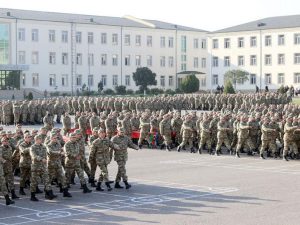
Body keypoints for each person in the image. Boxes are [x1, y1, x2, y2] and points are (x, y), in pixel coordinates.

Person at [29, 135, 57, 201]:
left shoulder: (44, 147)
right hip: (36, 167)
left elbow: (46, 154)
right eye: (40, 139)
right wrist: (41, 159)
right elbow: (34, 156)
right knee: (34, 182)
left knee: (47, 180)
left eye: (41, 139)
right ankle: (32, 196)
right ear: (36, 140)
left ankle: (49, 194)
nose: (41, 140)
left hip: (43, 166)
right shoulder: (32, 147)